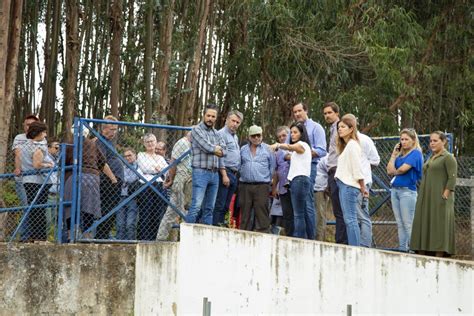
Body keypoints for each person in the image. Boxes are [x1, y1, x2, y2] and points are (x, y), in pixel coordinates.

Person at [64, 127, 116, 240]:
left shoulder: (69, 144)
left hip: (73, 176)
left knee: (70, 204)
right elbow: (102, 163)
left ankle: (71, 233)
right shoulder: (93, 145)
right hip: (91, 177)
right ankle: (87, 234)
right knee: (90, 205)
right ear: (87, 134)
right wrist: (112, 177)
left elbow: (62, 162)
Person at [410, 131, 457, 257]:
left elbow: (452, 178)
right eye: (431, 141)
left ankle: (439, 254)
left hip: (440, 197)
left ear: (444, 142)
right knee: (423, 221)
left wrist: (445, 195)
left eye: (435, 141)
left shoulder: (448, 157)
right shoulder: (431, 157)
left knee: (439, 224)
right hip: (426, 196)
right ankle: (421, 251)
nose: (432, 143)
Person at [185, 104, 226, 225]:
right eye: (208, 115)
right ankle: (187, 237)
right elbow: (206, 147)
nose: (210, 118)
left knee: (209, 208)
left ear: (216, 118)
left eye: (213, 116)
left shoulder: (217, 133)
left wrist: (217, 149)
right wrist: (216, 149)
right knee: (196, 206)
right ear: (204, 115)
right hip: (200, 172)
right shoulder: (196, 130)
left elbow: (225, 151)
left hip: (214, 174)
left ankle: (206, 239)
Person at [270, 122, 313, 239]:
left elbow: (290, 147)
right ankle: (302, 237)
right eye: (292, 132)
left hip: (300, 180)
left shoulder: (302, 144)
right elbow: (286, 156)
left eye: (295, 132)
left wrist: (278, 145)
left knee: (298, 214)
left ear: (302, 134)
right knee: (298, 213)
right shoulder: (297, 150)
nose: (292, 135)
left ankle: (299, 238)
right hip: (296, 181)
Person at [292, 103, 327, 237]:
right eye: (295, 112)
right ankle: (300, 236)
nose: (297, 114)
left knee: (307, 202)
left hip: (309, 167)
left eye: (299, 111)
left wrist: (305, 153)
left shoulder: (316, 128)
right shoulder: (294, 129)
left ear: (306, 110)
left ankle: (311, 237)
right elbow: (290, 148)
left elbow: (322, 150)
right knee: (298, 206)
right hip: (295, 169)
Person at [386, 128, 423, 252]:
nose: (404, 142)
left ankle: (413, 249)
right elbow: (388, 169)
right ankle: (403, 248)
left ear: (413, 141)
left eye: (407, 139)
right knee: (400, 223)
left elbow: (403, 169)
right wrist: (393, 155)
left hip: (407, 191)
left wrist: (394, 172)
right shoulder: (400, 156)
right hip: (395, 191)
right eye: (402, 139)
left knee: (408, 222)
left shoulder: (416, 153)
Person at [334, 114, 368, 246]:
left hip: (349, 186)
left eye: (343, 127)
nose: (340, 129)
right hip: (344, 185)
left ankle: (355, 248)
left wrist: (363, 187)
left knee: (350, 219)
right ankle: (353, 246)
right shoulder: (347, 146)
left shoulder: (353, 145)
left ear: (351, 128)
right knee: (348, 219)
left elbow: (357, 168)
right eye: (338, 127)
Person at [20, 121, 53, 241]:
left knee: (34, 209)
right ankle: (41, 238)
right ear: (38, 133)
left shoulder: (24, 145)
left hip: (27, 180)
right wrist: (48, 164)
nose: (45, 135)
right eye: (43, 132)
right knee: (39, 210)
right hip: (38, 181)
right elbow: (37, 164)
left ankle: (34, 236)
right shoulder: (38, 147)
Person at [156, 131, 193, 241]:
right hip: (180, 180)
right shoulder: (182, 143)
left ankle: (163, 239)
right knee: (181, 211)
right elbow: (173, 162)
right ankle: (162, 239)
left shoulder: (192, 145)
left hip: (189, 181)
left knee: (176, 212)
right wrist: (171, 178)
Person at [240, 125, 275, 233]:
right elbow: (239, 164)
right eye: (253, 136)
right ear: (249, 137)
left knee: (262, 211)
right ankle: (243, 234)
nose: (256, 138)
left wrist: (267, 180)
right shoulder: (243, 149)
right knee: (245, 212)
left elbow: (272, 167)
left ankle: (264, 234)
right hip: (245, 185)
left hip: (262, 185)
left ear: (262, 136)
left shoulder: (268, 149)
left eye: (258, 135)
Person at [213, 110, 243, 226]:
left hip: (234, 174)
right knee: (219, 203)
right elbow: (219, 156)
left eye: (237, 122)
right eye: (233, 120)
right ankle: (214, 228)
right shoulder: (221, 134)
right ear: (227, 120)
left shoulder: (234, 137)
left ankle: (219, 226)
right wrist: (224, 175)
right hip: (224, 173)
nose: (235, 124)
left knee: (226, 205)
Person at [136, 133, 169, 240]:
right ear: (144, 144)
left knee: (157, 213)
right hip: (145, 185)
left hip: (159, 185)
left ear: (156, 142)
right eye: (148, 142)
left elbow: (167, 171)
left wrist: (159, 170)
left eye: (152, 141)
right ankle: (143, 238)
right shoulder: (141, 155)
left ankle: (154, 238)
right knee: (145, 213)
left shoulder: (160, 157)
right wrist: (158, 169)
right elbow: (144, 168)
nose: (150, 144)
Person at [96, 115, 124, 239]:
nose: (114, 132)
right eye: (112, 129)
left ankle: (104, 234)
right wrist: (113, 178)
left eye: (115, 129)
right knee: (108, 208)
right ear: (104, 129)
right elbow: (101, 162)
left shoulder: (109, 142)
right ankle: (102, 235)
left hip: (114, 181)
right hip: (109, 181)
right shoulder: (100, 141)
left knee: (111, 208)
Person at [322, 102, 347, 244]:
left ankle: (342, 242)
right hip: (331, 171)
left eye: (329, 112)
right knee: (338, 210)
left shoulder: (340, 128)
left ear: (337, 113)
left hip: (339, 171)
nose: (327, 116)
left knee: (341, 211)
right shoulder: (332, 129)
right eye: (325, 113)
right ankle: (340, 240)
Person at [13, 115, 44, 207]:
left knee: (37, 208)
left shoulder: (42, 138)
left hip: (37, 178)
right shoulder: (19, 138)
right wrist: (17, 168)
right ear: (24, 126)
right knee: (26, 207)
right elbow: (17, 154)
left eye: (32, 125)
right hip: (22, 178)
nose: (29, 127)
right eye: (27, 125)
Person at [357, 131, 380, 248]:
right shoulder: (344, 142)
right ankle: (366, 242)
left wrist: (364, 169)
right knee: (355, 216)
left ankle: (365, 245)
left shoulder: (364, 139)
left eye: (342, 127)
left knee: (362, 214)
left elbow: (375, 160)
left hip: (362, 182)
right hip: (350, 182)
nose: (340, 130)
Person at [271, 126, 294, 236]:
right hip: (282, 188)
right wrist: (274, 188)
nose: (282, 138)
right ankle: (289, 236)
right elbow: (276, 172)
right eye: (279, 137)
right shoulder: (278, 152)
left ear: (290, 134)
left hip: (295, 187)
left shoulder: (296, 147)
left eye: (284, 135)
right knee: (286, 214)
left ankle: (298, 236)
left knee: (297, 213)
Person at [116, 148, 139, 240]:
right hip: (121, 196)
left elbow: (133, 178)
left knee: (130, 224)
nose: (127, 158)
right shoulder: (122, 167)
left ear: (135, 155)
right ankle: (118, 244)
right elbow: (121, 179)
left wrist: (125, 180)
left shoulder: (139, 166)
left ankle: (130, 243)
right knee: (120, 224)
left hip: (132, 197)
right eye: (125, 156)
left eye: (129, 155)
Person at [314, 156, 330, 241]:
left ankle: (319, 240)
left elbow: (331, 172)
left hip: (320, 190)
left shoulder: (326, 157)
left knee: (319, 216)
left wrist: (327, 187)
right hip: (308, 188)